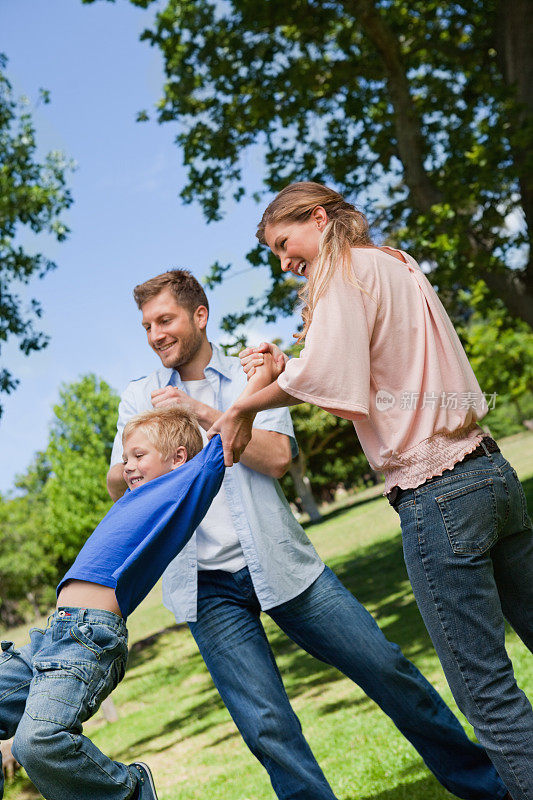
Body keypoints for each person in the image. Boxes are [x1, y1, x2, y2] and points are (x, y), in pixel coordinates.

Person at [108, 267, 509, 800]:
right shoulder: (140, 396)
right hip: (206, 587)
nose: (156, 334)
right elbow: (120, 482)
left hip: (281, 562)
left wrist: (204, 415)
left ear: (199, 316)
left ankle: (490, 789)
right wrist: (137, 465)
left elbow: (276, 459)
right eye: (147, 326)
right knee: (268, 729)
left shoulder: (251, 375)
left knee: (387, 670)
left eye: (165, 320)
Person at [210, 181, 533, 800]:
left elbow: (331, 378)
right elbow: (355, 380)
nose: (284, 263)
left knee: (485, 693)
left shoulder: (340, 277)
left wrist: (243, 406)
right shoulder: (395, 264)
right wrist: (290, 366)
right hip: (492, 475)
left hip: (437, 495)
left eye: (284, 243)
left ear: (322, 218)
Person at [0, 405, 228, 800]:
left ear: (178, 458)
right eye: (126, 459)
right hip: (52, 634)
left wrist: (261, 377)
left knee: (36, 743)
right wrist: (133, 451)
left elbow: (233, 428)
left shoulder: (190, 479)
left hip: (88, 637)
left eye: (139, 456)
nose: (128, 467)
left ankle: (130, 791)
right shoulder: (130, 497)